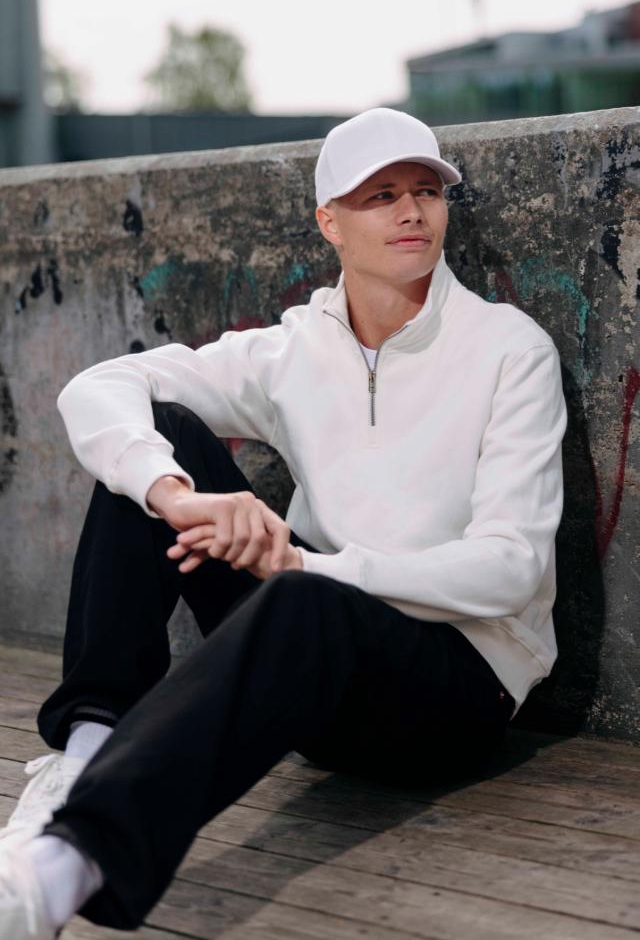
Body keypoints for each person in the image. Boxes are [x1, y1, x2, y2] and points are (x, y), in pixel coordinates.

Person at [0, 107, 567, 938]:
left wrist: (310, 569)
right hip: (313, 664)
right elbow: (98, 387)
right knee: (160, 438)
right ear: (329, 222)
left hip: (453, 686)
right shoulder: (296, 348)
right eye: (381, 196)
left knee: (305, 600)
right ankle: (87, 749)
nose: (411, 211)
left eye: (426, 190)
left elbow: (511, 566)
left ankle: (62, 873)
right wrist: (174, 494)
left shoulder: (509, 349)